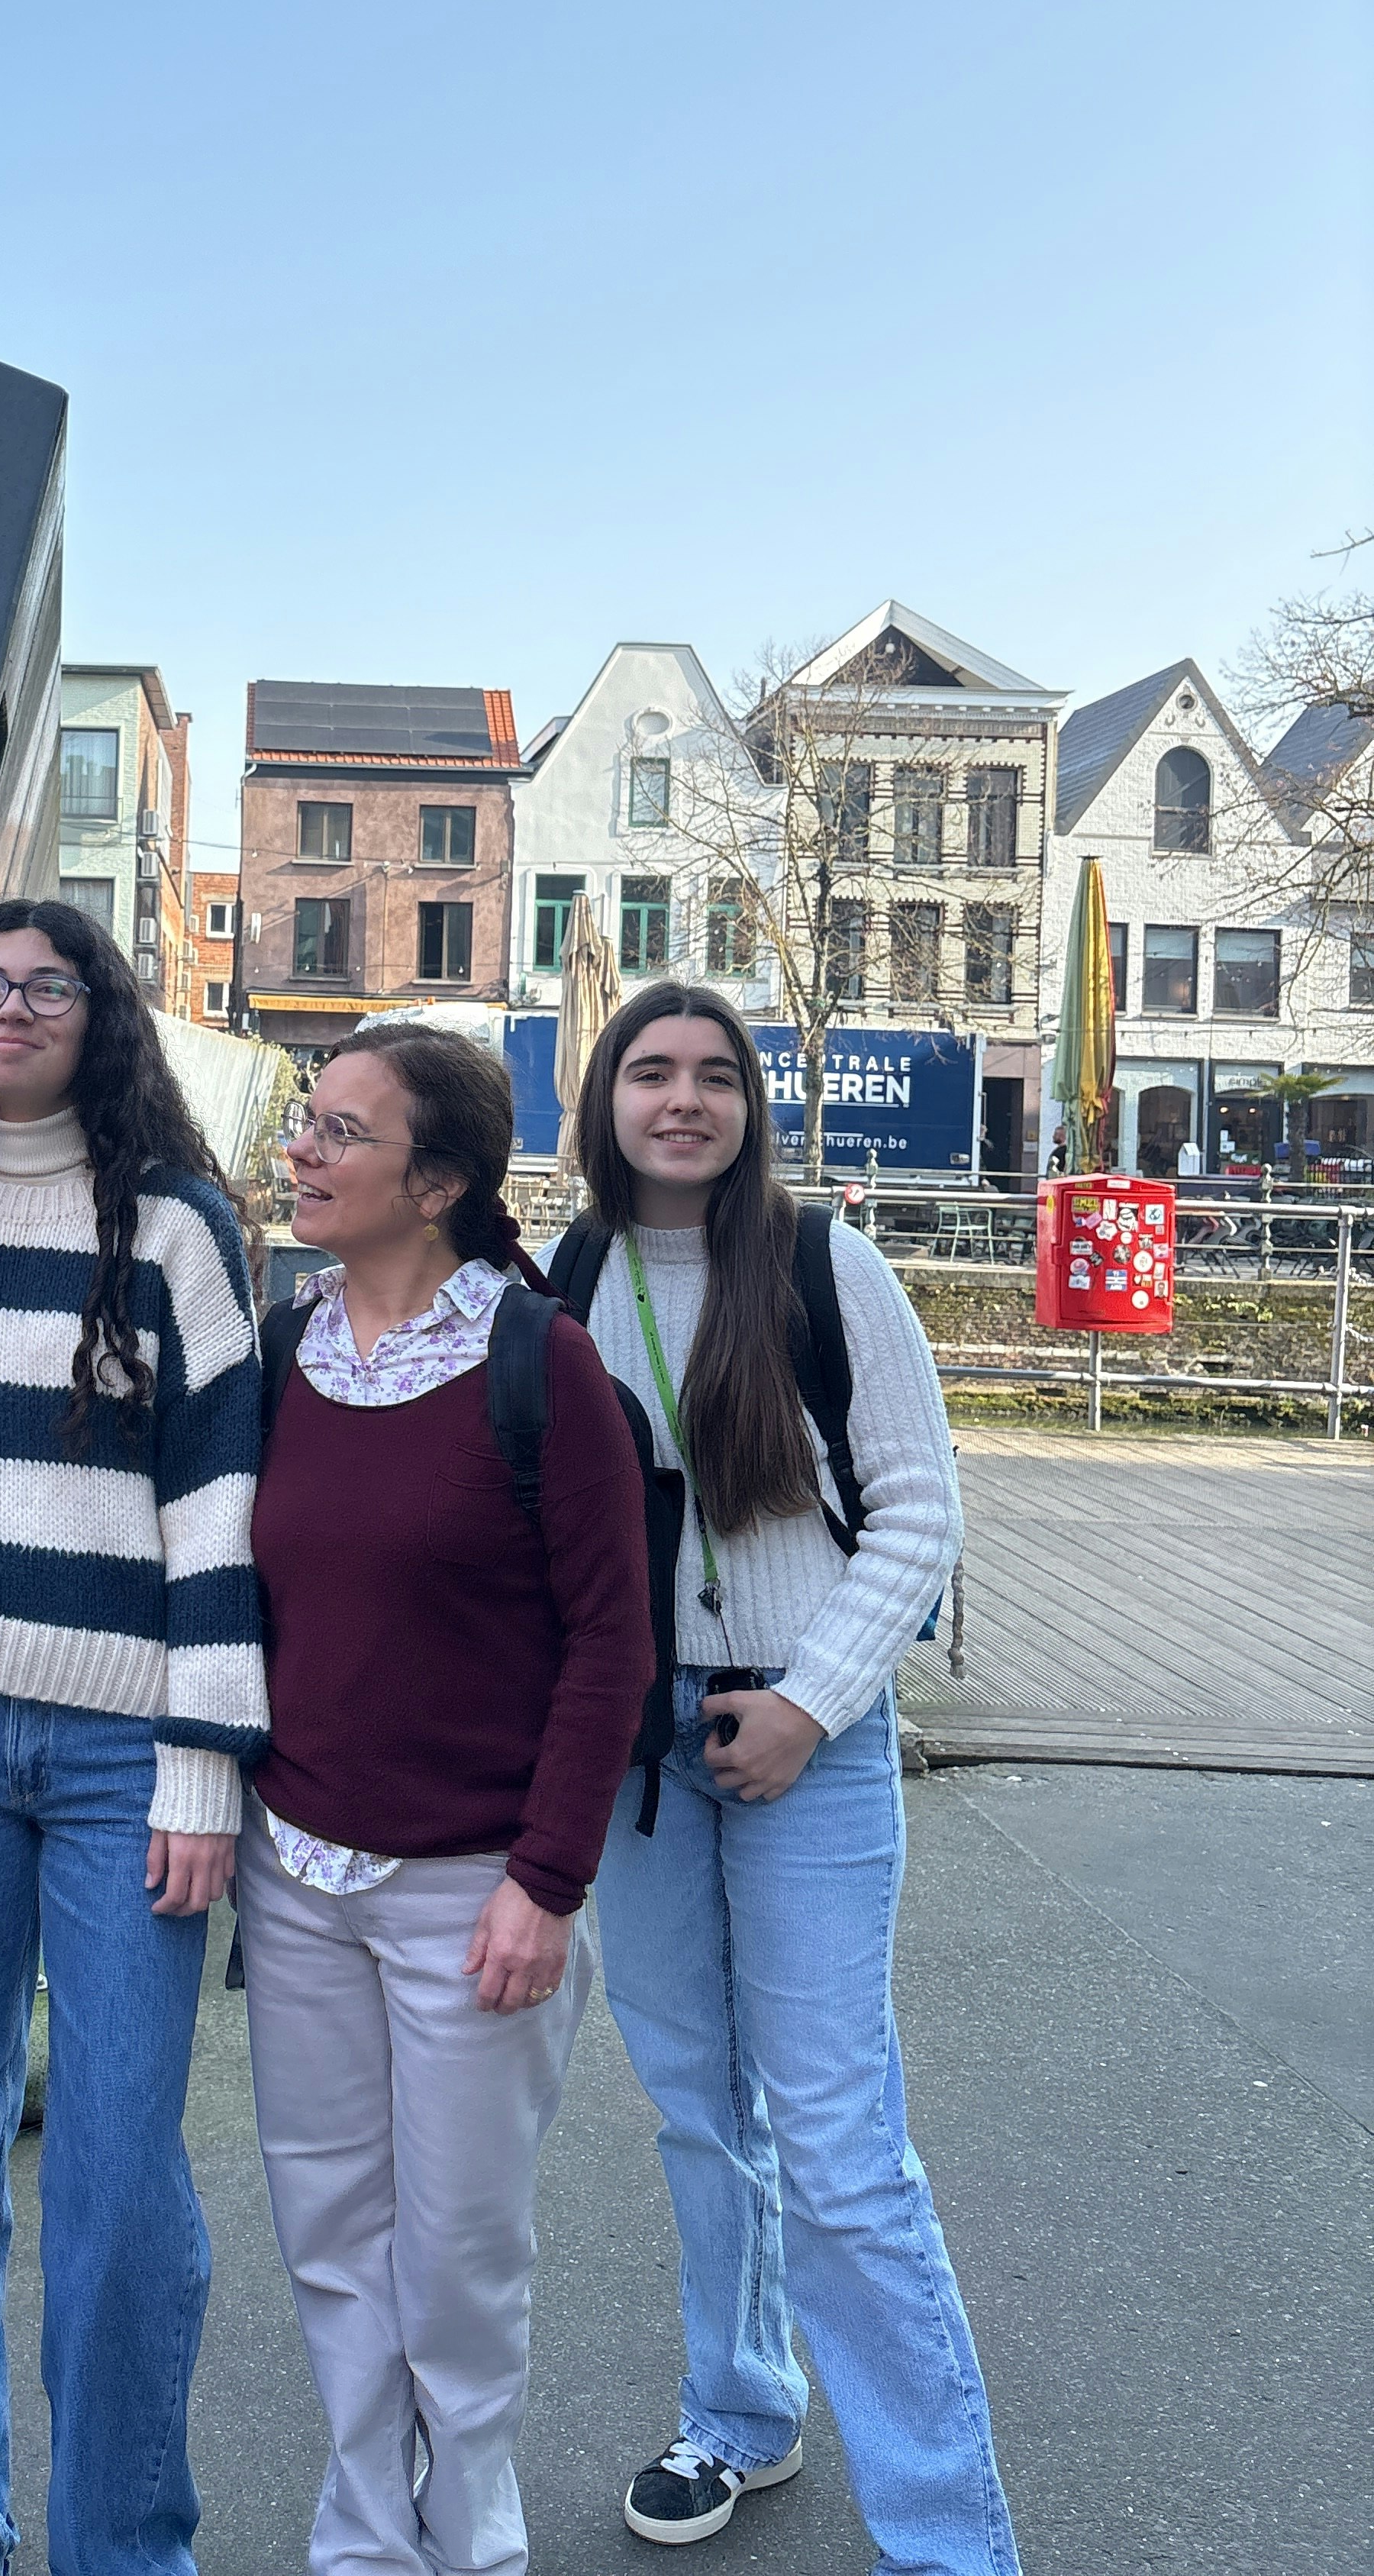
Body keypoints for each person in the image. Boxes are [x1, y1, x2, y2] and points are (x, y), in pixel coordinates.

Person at [0, 899, 267, 2576]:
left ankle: (121, 2548)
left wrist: (205, 1759)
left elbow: (222, 1507)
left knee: (120, 2175)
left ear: (100, 1014)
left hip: (125, 1755)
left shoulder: (177, 1227)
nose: (11, 1008)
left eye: (49, 986)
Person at [571, 984, 1020, 2569]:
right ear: (605, 1099)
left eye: (716, 1074)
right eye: (651, 1071)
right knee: (700, 2114)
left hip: (805, 1746)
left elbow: (919, 1512)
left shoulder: (828, 1268)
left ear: (752, 1106)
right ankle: (740, 2412)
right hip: (641, 1753)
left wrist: (811, 1707)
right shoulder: (565, 1278)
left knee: (837, 2151)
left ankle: (945, 2536)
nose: (683, 1100)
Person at [238, 1024, 655, 2576]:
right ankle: (365, 2536)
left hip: (476, 1890)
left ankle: (472, 2538)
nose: (304, 1150)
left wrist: (548, 1880)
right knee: (331, 2239)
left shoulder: (537, 1362)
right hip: (297, 1878)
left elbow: (614, 1638)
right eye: (308, 1118)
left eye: (341, 1132)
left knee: (462, 2256)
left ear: (437, 1185)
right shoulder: (280, 1350)